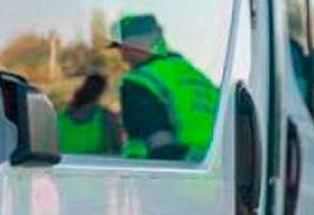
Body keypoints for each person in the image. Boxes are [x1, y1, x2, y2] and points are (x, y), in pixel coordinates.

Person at [110, 14, 220, 162]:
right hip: (211, 170)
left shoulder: (140, 81)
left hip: (162, 175)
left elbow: (159, 145)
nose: (123, 57)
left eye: (123, 48)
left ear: (136, 44)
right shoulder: (200, 79)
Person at [57, 74, 123, 155]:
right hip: (95, 166)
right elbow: (118, 149)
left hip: (66, 166)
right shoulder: (107, 118)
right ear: (102, 92)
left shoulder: (59, 119)